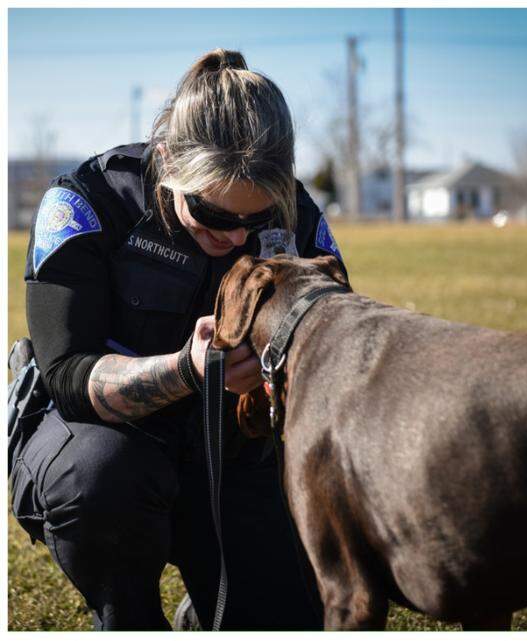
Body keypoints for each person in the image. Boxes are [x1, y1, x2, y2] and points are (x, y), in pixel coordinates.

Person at [10, 49, 346, 630]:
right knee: (98, 480)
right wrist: (188, 370)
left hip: (236, 454)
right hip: (107, 447)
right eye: (212, 214)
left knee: (290, 616)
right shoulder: (88, 202)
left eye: (255, 217)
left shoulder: (299, 215)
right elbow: (66, 373)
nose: (236, 234)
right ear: (167, 162)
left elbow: (336, 348)